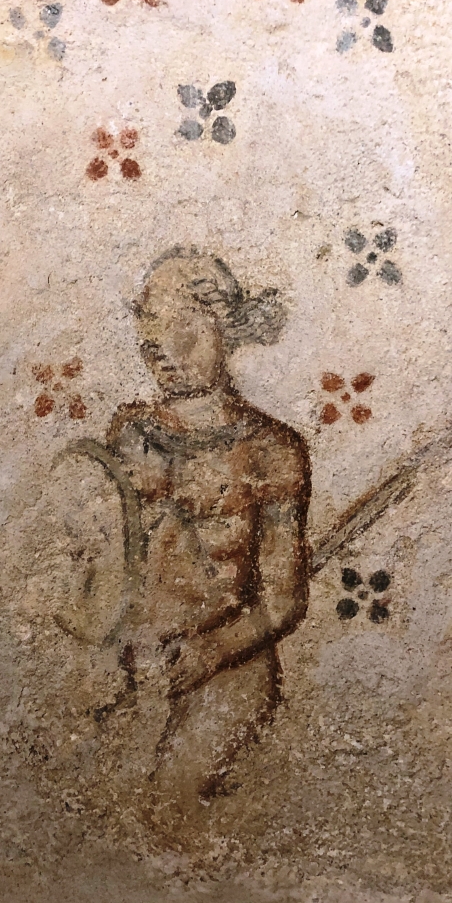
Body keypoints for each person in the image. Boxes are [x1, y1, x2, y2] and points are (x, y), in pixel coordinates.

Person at [104, 247, 311, 841]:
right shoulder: (129, 435)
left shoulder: (272, 450)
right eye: (151, 334)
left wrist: (213, 650)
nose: (163, 352)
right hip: (140, 661)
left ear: (226, 328)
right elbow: (100, 562)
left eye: (183, 329)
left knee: (168, 805)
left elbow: (283, 598)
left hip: (226, 664)